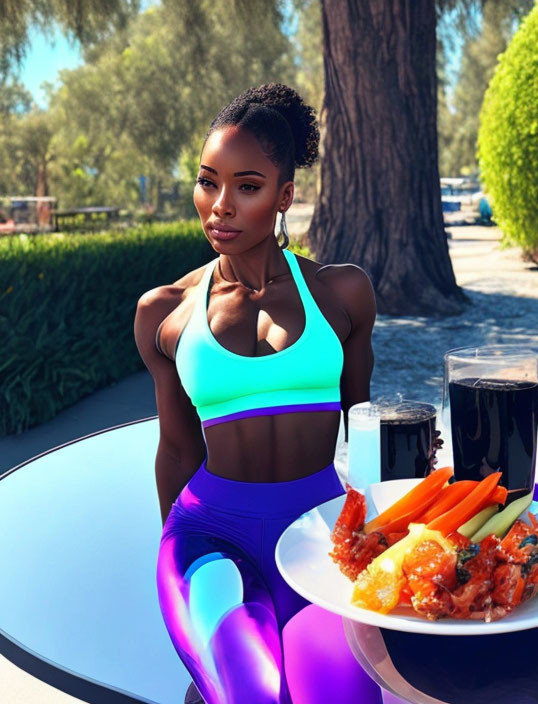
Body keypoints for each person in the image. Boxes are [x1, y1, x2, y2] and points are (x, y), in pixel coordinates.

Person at [133, 84, 381, 704]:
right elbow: (175, 449)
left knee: (344, 697)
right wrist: (174, 569)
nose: (219, 205)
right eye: (206, 181)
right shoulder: (164, 313)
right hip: (208, 539)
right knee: (256, 695)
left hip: (322, 534)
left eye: (246, 186)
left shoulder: (342, 294)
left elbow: (365, 421)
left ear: (283, 196)